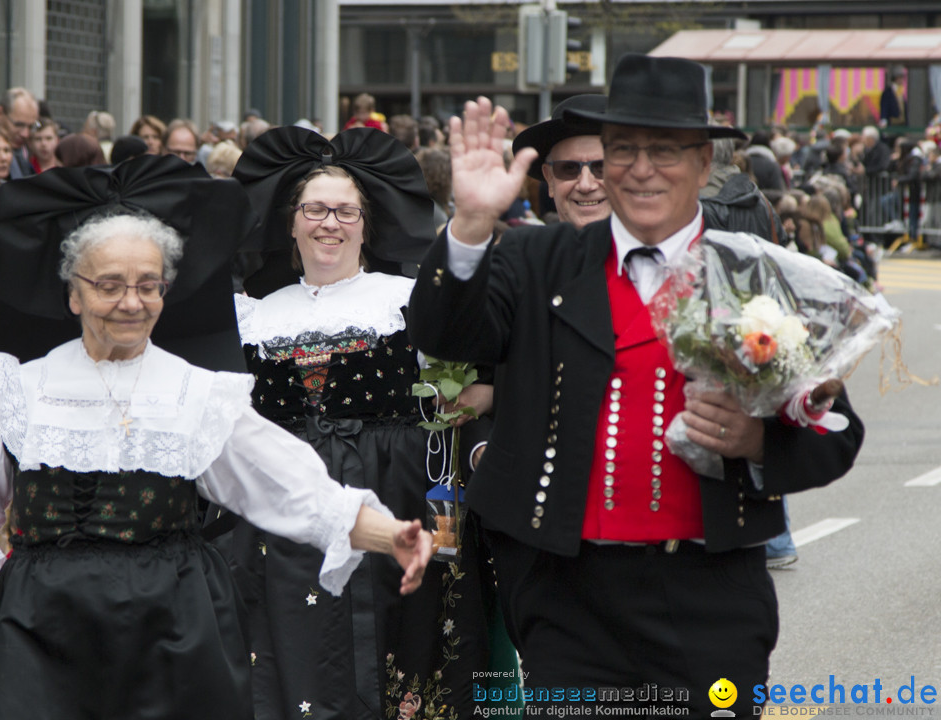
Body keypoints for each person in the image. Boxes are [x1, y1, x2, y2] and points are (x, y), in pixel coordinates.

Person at [408, 54, 864, 717]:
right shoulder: (534, 260)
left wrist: (758, 439)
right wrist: (471, 227)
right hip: (566, 596)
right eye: (622, 150)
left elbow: (837, 433)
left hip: (710, 597)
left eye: (665, 150)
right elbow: (446, 334)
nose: (639, 168)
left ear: (705, 165)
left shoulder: (752, 277)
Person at [0, 158, 432, 719]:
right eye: (110, 285)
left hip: (171, 624)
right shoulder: (24, 387)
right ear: (74, 294)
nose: (131, 302)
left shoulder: (195, 393)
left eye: (148, 285)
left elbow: (294, 487)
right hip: (40, 624)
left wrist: (391, 535)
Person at [230, 127, 487, 720]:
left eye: (345, 211)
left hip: (394, 492)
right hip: (283, 505)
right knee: (289, 648)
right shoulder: (255, 316)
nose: (330, 223)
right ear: (290, 222)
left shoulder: (405, 299)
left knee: (398, 643)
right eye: (315, 209)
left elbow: (473, 366)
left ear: (366, 224)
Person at [511, 95, 609, 227]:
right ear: (550, 179)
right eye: (569, 168)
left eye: (602, 168)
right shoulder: (523, 247)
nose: (585, 185)